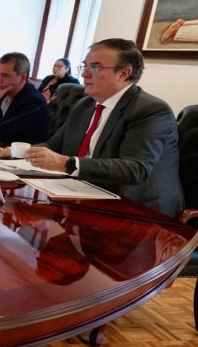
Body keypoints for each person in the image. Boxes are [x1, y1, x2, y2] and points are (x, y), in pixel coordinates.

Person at [19, 38, 183, 217]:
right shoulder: (85, 105)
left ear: (123, 73)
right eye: (85, 66)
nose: (85, 74)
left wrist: (65, 163)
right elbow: (54, 146)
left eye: (95, 67)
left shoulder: (151, 110)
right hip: (83, 196)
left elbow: (135, 169)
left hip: (138, 213)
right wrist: (15, 152)